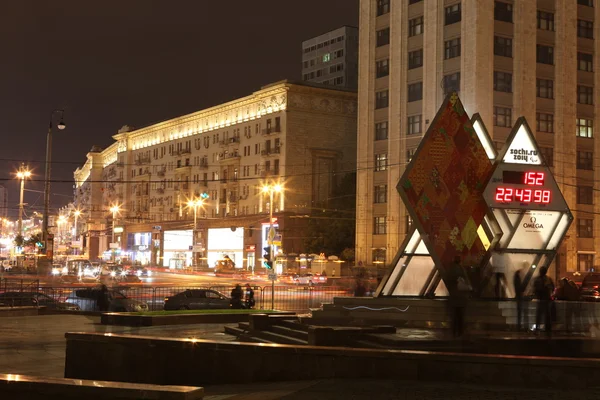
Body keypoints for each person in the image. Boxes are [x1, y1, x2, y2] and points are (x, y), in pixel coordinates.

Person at [447, 256, 470, 338]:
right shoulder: (461, 269)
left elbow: (449, 281)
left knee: (455, 316)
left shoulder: (451, 269)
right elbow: (466, 281)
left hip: (454, 297)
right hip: (461, 297)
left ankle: (455, 332)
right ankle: (460, 332)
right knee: (460, 316)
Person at [533, 266, 555, 335]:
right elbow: (553, 287)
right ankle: (547, 329)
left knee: (539, 315)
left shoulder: (537, 279)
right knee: (547, 314)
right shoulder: (548, 279)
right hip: (546, 298)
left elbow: (535, 288)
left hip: (541, 299)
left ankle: (537, 328)